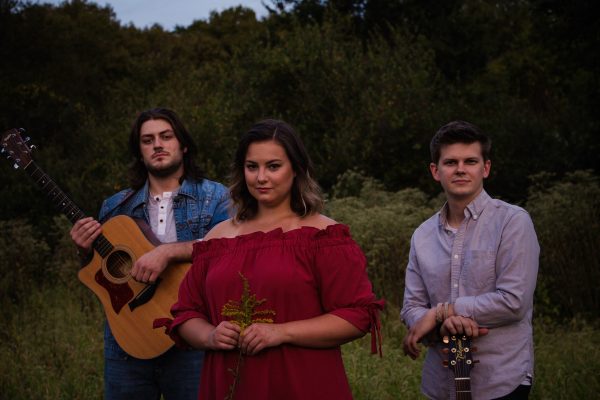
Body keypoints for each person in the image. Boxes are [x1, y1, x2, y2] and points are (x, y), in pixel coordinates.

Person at [155, 119, 384, 400]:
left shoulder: (323, 236)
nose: (261, 177)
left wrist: (281, 333)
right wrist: (210, 336)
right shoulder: (218, 237)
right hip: (229, 386)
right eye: (252, 167)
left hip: (302, 385)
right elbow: (187, 313)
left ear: (296, 169)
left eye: (273, 166)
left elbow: (356, 316)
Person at [70, 108, 230, 399]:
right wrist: (84, 249)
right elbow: (99, 274)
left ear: (182, 144)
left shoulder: (217, 196)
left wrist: (169, 252)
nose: (157, 144)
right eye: (147, 140)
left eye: (166, 136)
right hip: (127, 341)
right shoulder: (115, 207)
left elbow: (230, 250)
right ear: (140, 152)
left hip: (194, 336)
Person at [401, 120, 540, 400]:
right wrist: (442, 322)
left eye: (470, 161)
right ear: (435, 171)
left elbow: (513, 302)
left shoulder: (512, 222)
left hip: (500, 379)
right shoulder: (423, 235)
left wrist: (442, 312)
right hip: (440, 384)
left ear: (485, 168)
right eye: (450, 162)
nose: (461, 169)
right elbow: (412, 307)